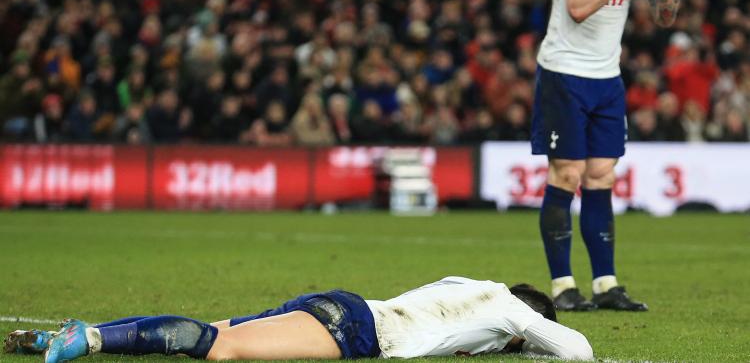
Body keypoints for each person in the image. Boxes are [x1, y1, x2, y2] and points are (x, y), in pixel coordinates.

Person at [532, 0, 681, 310]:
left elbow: (665, 17)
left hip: (607, 77)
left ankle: (605, 283)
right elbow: (578, 7)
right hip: (564, 72)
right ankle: (563, 286)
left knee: (601, 174)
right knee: (567, 173)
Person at [5, 276, 593, 362]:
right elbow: (578, 351)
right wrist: (526, 340)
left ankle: (78, 330)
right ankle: (85, 340)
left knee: (220, 332)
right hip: (361, 331)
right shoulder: (514, 313)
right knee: (217, 348)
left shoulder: (469, 284)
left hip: (339, 303)